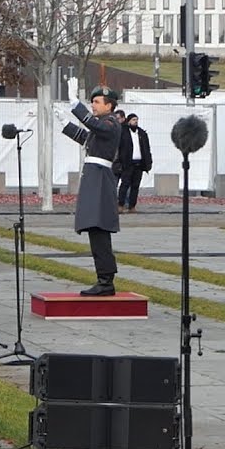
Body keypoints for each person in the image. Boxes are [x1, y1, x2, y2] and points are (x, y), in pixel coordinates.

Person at [62, 88, 123, 296]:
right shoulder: (103, 126)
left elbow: (94, 126)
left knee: (100, 230)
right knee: (95, 229)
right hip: (94, 178)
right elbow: (87, 138)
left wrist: (75, 107)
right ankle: (104, 279)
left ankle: (106, 281)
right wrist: (65, 124)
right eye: (92, 102)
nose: (93, 105)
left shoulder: (111, 123)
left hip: (100, 179)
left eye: (97, 102)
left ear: (109, 105)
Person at [117, 113, 153, 213]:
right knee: (125, 185)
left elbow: (146, 148)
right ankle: (120, 205)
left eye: (136, 120)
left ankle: (132, 206)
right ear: (128, 121)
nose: (135, 122)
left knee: (135, 186)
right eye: (133, 120)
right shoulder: (123, 132)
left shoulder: (141, 133)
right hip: (128, 163)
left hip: (139, 164)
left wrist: (148, 162)